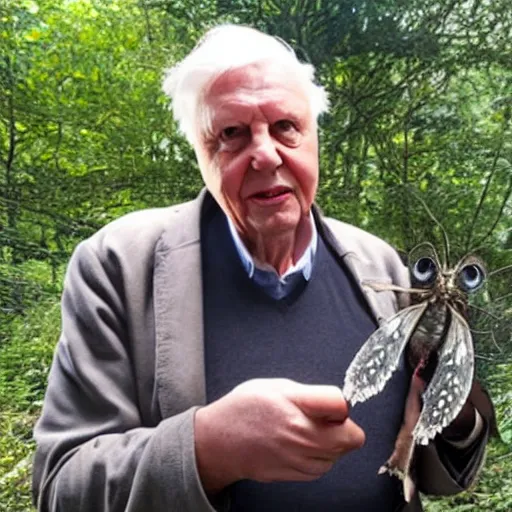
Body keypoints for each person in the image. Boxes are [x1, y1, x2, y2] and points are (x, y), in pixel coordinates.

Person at [32, 24, 492, 512]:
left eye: (285, 127)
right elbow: (62, 487)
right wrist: (209, 449)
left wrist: (457, 406)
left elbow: (438, 473)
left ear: (315, 136)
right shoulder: (119, 266)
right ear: (199, 152)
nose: (266, 154)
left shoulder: (380, 265)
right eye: (231, 134)